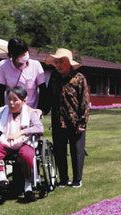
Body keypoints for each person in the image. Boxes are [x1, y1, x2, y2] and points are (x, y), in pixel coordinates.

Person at [41, 48, 90, 188]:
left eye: (61, 61)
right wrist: (41, 110)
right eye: (56, 62)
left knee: (77, 151)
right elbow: (49, 97)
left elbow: (85, 102)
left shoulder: (79, 78)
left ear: (69, 62)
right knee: (59, 151)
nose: (58, 65)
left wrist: (82, 122)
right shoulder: (54, 77)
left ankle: (77, 179)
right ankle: (63, 179)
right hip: (58, 121)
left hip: (75, 122)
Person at [0, 86, 44, 202]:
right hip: (6, 143)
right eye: (9, 99)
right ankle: (2, 178)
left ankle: (28, 184)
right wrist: (1, 137)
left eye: (15, 100)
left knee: (27, 155)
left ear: (24, 100)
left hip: (24, 142)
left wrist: (21, 132)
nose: (11, 103)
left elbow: (39, 128)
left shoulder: (31, 112)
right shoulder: (3, 111)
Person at [0, 38, 45, 109]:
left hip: (31, 109)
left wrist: (40, 110)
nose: (25, 55)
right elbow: (0, 91)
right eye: (22, 54)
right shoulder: (3, 65)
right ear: (13, 55)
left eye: (26, 52)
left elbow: (43, 90)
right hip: (11, 110)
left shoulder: (36, 65)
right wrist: (1, 109)